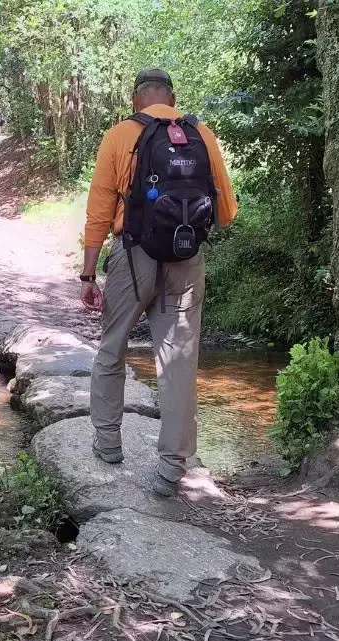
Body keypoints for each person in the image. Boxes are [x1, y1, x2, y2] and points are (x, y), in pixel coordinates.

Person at [79, 68, 238, 496]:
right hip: (186, 262)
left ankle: (109, 442)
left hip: (133, 257)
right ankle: (171, 467)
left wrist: (89, 272)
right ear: (172, 97)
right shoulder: (201, 133)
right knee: (178, 363)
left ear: (137, 100)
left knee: (113, 348)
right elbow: (227, 212)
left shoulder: (120, 136)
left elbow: (99, 208)